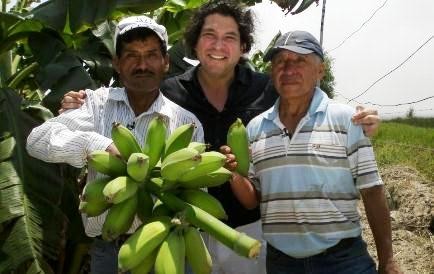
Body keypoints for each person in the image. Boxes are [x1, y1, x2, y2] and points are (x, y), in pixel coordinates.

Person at [59, 1, 380, 273]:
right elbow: (129, 99)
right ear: (194, 45)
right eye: (208, 36)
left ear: (243, 46)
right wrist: (79, 103)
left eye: (230, 37)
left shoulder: (267, 88)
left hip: (252, 231)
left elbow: (312, 104)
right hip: (185, 228)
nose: (217, 45)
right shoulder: (170, 92)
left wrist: (360, 119)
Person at [26, 16, 204, 274]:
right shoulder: (95, 105)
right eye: (131, 55)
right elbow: (37, 141)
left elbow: (199, 197)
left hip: (166, 249)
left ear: (165, 62)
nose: (142, 64)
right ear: (117, 64)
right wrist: (96, 144)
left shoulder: (187, 124)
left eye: (152, 54)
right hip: (109, 252)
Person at [221, 30, 402, 274]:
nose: (288, 69)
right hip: (281, 262)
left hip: (342, 261)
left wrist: (388, 260)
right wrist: (233, 173)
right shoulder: (255, 128)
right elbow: (253, 199)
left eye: (300, 60)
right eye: (280, 62)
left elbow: (372, 190)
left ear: (320, 70)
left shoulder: (346, 120)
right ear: (272, 71)